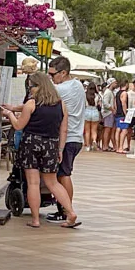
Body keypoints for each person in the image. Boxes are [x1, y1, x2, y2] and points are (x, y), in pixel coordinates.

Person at [2, 70, 79, 229]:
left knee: (33, 183)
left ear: (38, 86)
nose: (30, 90)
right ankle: (70, 212)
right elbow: (63, 130)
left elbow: (18, 126)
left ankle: (36, 220)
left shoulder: (31, 104)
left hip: (31, 143)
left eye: (31, 87)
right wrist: (60, 149)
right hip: (51, 144)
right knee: (53, 183)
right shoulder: (61, 104)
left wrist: (9, 114)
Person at [48, 55, 87, 216]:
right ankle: (64, 209)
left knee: (63, 174)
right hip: (77, 136)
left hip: (67, 138)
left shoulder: (61, 89)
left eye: (53, 75)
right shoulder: (78, 85)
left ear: (63, 73)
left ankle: (66, 210)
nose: (51, 78)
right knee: (63, 173)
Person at [99, 80, 117, 152]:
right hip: (108, 113)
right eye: (115, 83)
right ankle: (105, 146)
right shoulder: (108, 92)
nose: (116, 84)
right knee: (107, 129)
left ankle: (105, 145)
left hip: (109, 112)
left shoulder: (110, 92)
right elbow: (105, 103)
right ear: (111, 83)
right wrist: (112, 109)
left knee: (108, 130)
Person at [83, 83, 101, 151]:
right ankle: (94, 140)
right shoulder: (97, 95)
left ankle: (87, 146)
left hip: (87, 111)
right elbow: (99, 106)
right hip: (95, 111)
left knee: (87, 131)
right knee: (94, 130)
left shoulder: (85, 95)